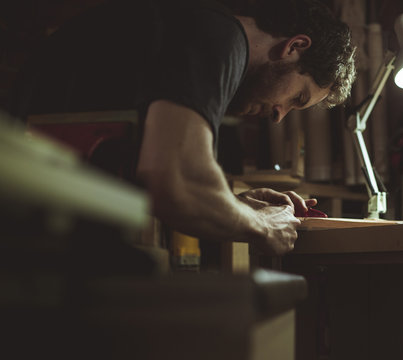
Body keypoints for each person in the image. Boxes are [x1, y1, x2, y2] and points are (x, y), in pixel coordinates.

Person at [9, 0, 356, 255]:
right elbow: (174, 182)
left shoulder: (194, 33)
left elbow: (132, 172)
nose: (280, 115)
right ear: (295, 47)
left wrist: (231, 204)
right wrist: (262, 225)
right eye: (297, 98)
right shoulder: (220, 37)